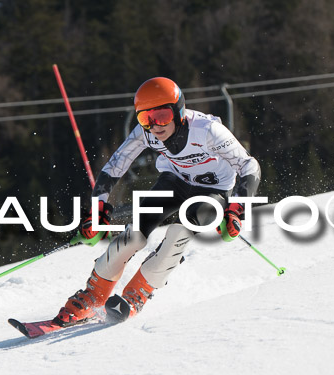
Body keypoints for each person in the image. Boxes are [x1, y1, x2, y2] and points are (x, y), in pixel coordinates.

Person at [54, 77, 261, 326]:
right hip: (174, 181)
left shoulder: (206, 130)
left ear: (179, 111)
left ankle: (137, 293)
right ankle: (92, 295)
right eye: (146, 118)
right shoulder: (146, 133)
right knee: (133, 235)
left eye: (162, 116)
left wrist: (237, 209)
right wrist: (97, 209)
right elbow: (115, 166)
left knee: (179, 232)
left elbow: (249, 165)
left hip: (212, 190)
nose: (155, 126)